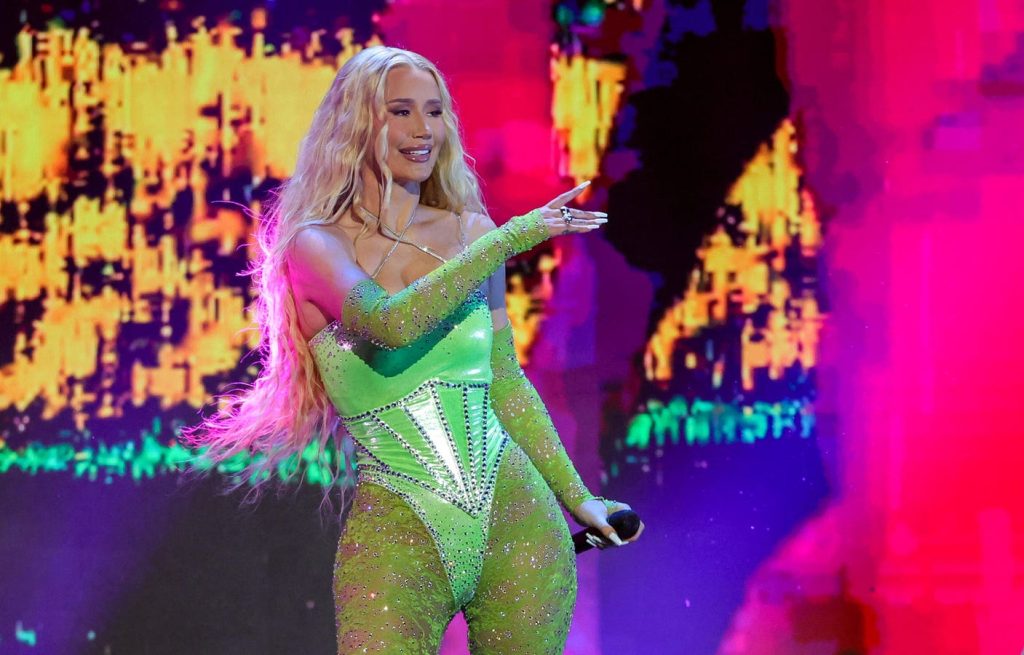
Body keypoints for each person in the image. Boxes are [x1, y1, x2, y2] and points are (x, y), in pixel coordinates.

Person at [183, 45, 644, 654]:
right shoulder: (315, 245)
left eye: (434, 111)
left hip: (520, 521)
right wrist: (510, 239)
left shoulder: (469, 231)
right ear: (357, 123)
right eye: (401, 111)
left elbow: (504, 381)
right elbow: (390, 323)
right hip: (399, 533)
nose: (423, 129)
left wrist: (578, 499)